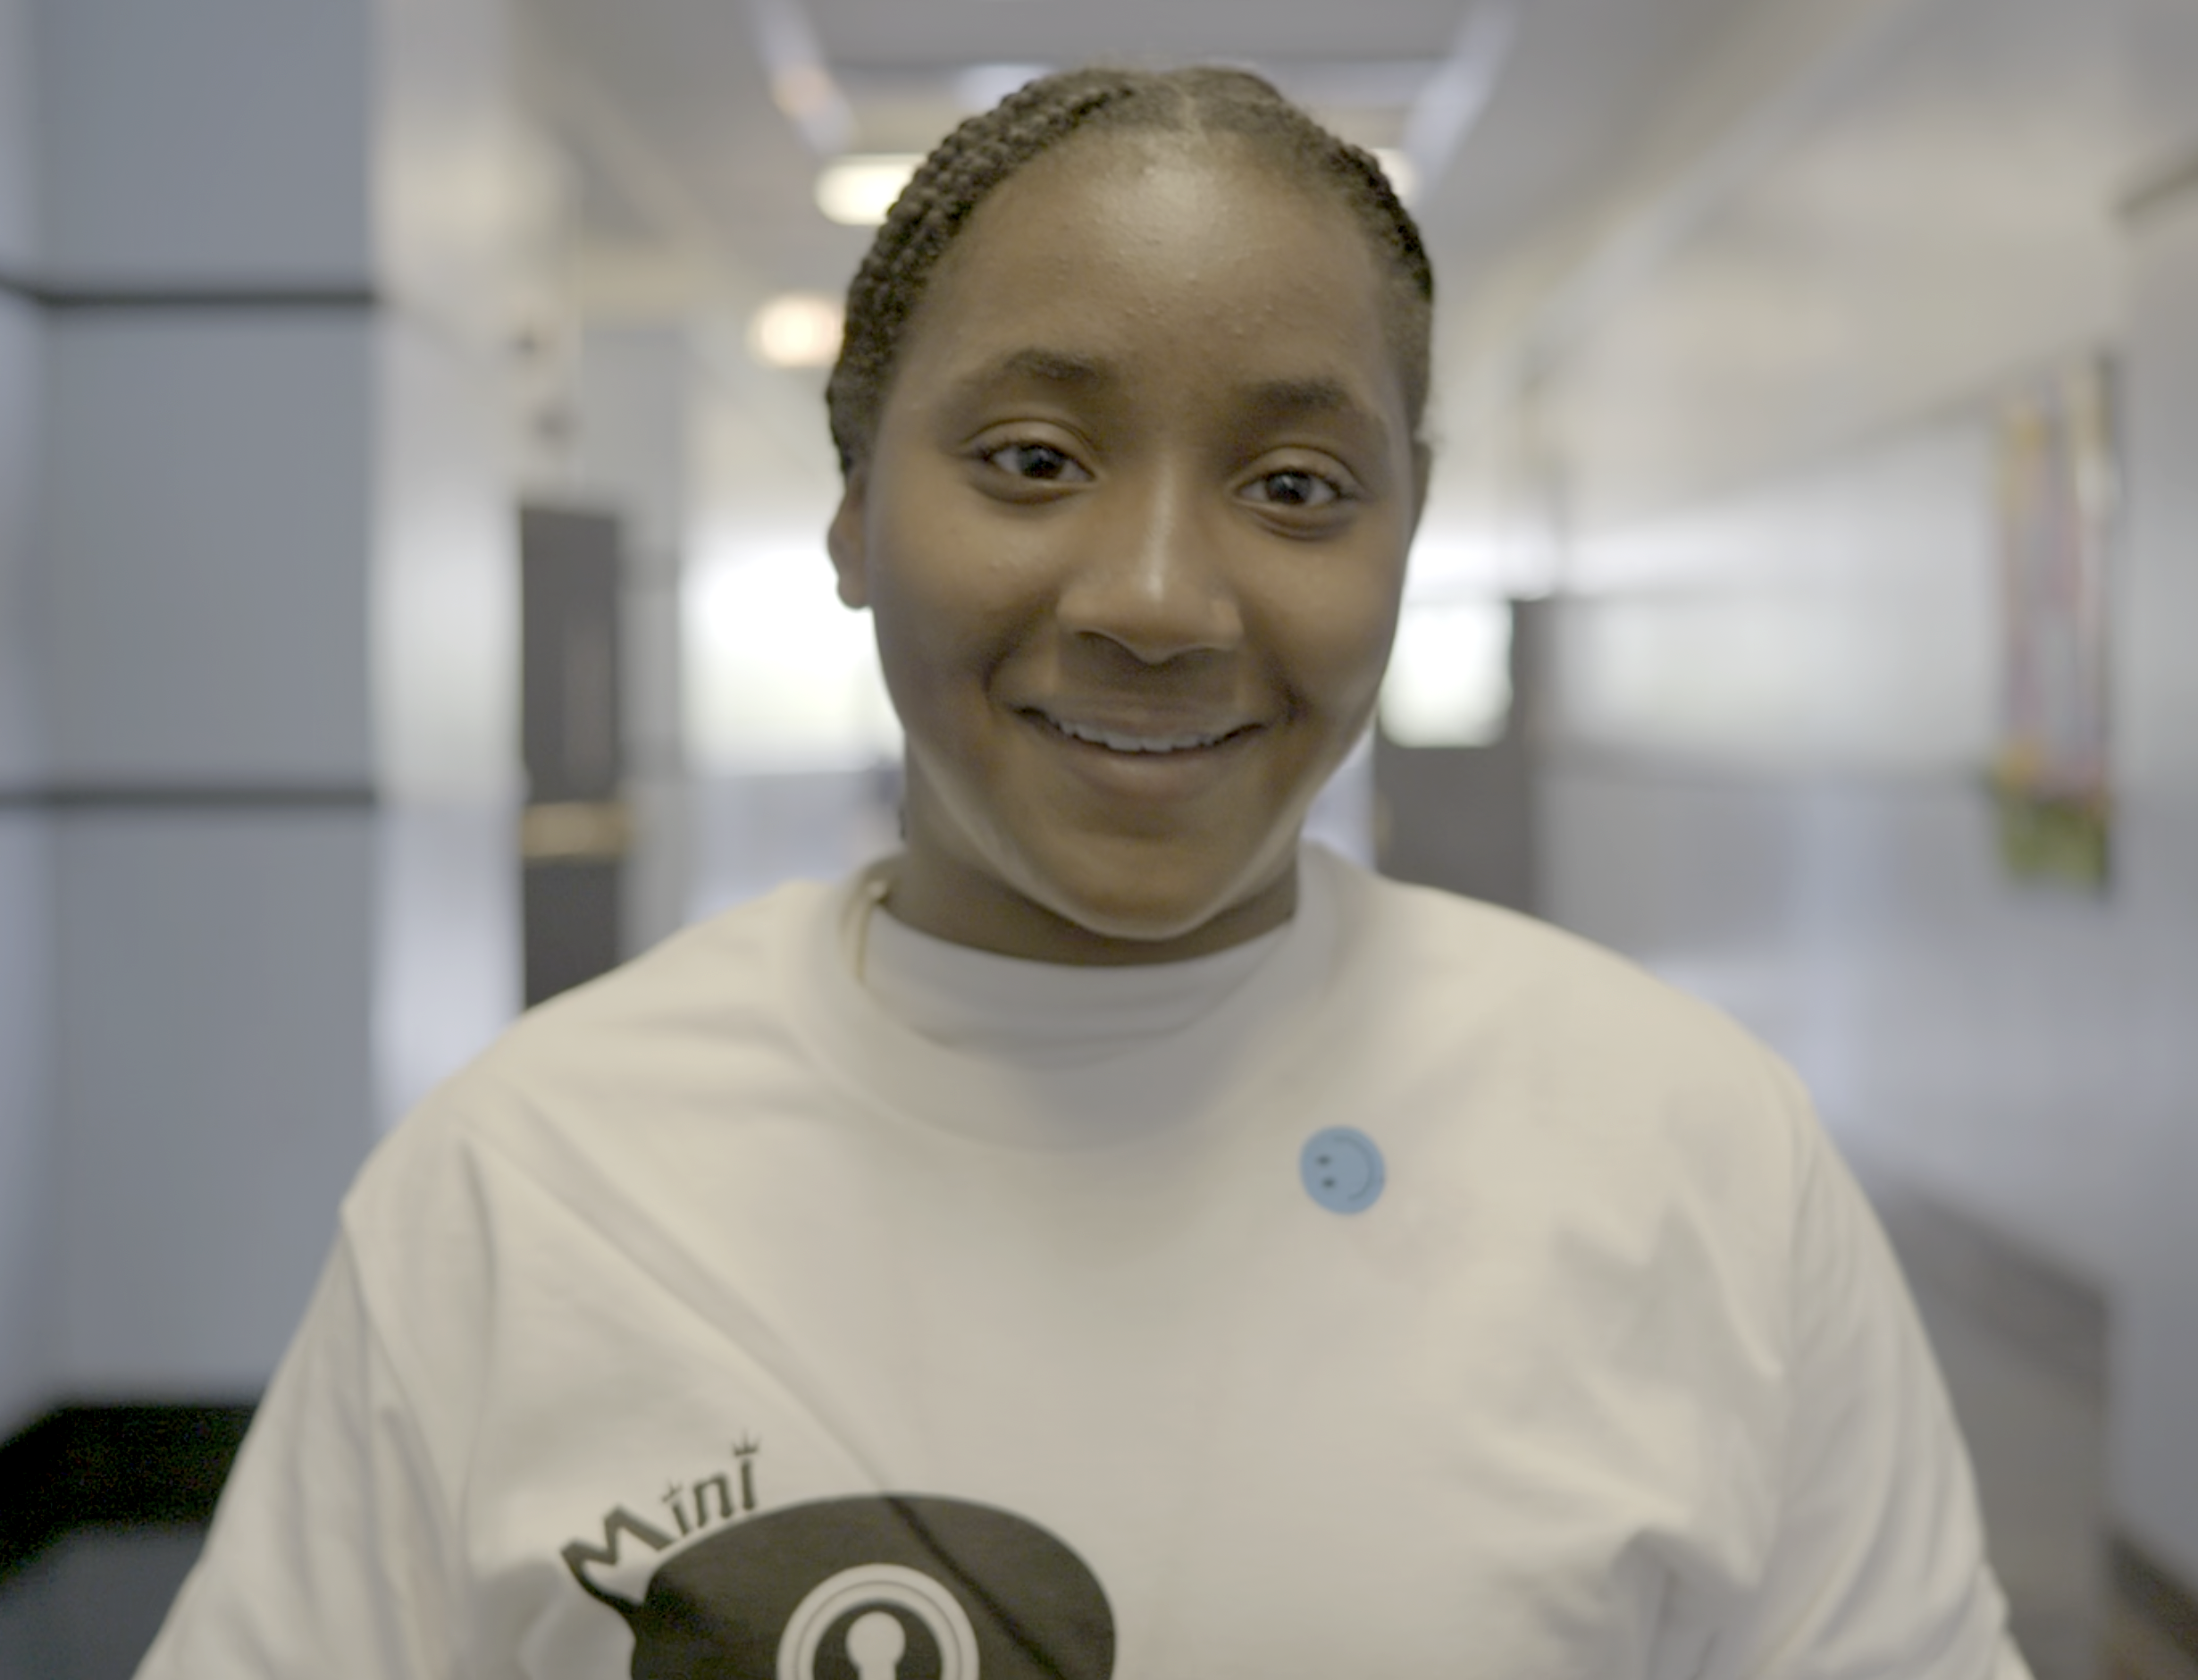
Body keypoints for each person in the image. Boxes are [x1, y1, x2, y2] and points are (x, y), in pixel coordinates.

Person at [138, 67, 2028, 1679]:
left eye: (1296, 485)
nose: (1153, 601)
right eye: (1033, 458)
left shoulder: (1686, 1152)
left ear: (1406, 532)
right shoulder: (529, 1181)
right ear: (858, 507)